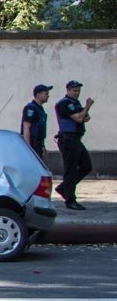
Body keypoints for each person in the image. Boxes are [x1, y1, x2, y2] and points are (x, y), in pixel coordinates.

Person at [54, 79, 94, 211]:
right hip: (68, 140)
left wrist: (83, 113)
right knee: (70, 170)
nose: (77, 93)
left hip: (76, 140)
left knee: (86, 166)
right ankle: (70, 199)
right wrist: (88, 106)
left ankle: (63, 188)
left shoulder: (75, 103)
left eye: (78, 91)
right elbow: (78, 118)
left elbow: (85, 118)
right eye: (74, 90)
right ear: (68, 90)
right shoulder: (65, 103)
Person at [21, 84, 52, 159]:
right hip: (32, 144)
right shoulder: (31, 108)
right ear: (38, 94)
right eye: (46, 94)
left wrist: (43, 146)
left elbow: (40, 130)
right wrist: (28, 147)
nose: (48, 96)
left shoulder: (40, 108)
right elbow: (26, 127)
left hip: (38, 144)